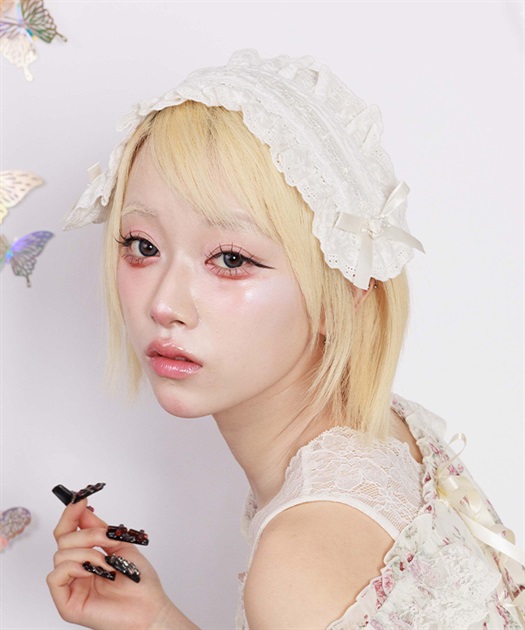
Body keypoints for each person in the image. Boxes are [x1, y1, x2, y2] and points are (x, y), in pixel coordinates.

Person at [47, 50, 524, 629]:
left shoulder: (300, 556)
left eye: (230, 259)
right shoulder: (383, 435)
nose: (164, 305)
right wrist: (156, 621)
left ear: (343, 289)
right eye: (143, 246)